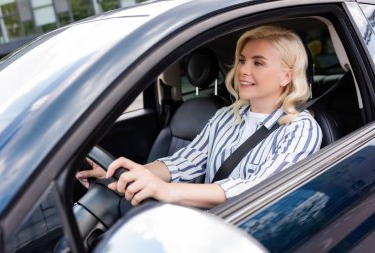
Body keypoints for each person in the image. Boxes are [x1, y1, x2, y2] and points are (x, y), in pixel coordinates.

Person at [76, 25, 322, 209]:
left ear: (286, 77)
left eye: (258, 63)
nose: (243, 70)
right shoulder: (226, 117)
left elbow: (258, 188)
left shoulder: (300, 128)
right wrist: (129, 174)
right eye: (242, 60)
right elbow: (184, 162)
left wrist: (167, 191)